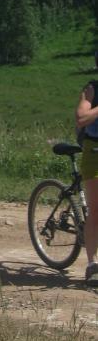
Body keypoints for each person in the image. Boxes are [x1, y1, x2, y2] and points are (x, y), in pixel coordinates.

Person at [76, 79, 98, 285]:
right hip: (95, 150)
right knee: (96, 210)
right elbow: (81, 118)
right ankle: (92, 265)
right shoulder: (92, 89)